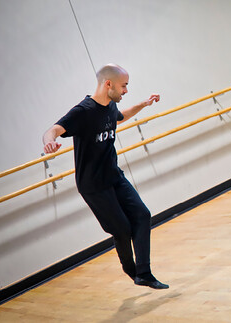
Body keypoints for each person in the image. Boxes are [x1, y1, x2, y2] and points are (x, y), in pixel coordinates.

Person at [43, 64, 168, 289]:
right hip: (93, 185)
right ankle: (131, 271)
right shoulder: (83, 111)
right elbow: (52, 129)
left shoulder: (111, 105)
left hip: (114, 176)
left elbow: (119, 118)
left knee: (142, 215)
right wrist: (50, 142)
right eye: (124, 86)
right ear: (108, 84)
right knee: (121, 229)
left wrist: (143, 104)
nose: (126, 91)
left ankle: (144, 273)